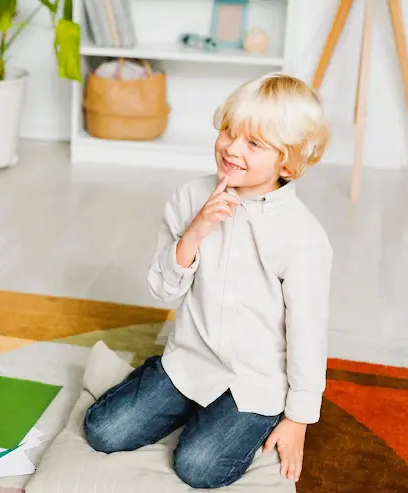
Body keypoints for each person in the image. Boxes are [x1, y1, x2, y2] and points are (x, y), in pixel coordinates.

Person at [84, 74, 333, 489]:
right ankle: (160, 385)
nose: (231, 148)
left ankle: (231, 418)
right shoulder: (188, 197)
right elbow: (164, 289)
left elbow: (309, 333)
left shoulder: (303, 236)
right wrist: (195, 233)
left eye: (253, 144)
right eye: (227, 132)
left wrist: (298, 418)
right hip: (189, 361)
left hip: (254, 381)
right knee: (103, 431)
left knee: (198, 467)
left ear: (287, 162)